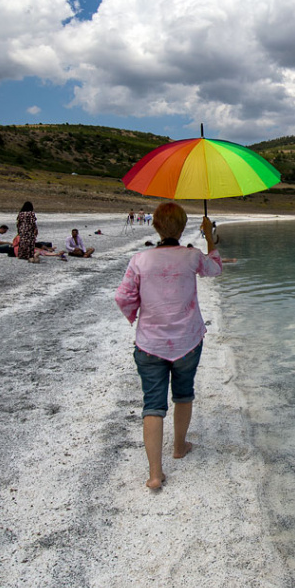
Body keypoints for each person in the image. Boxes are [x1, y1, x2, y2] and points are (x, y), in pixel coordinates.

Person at [115, 202, 221, 490]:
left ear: (156, 227)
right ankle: (178, 446)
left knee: (153, 404)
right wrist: (209, 236)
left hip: (149, 344)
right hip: (187, 342)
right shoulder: (191, 257)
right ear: (184, 226)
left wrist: (138, 316)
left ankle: (154, 474)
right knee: (183, 394)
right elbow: (215, 269)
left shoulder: (140, 260)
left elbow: (123, 298)